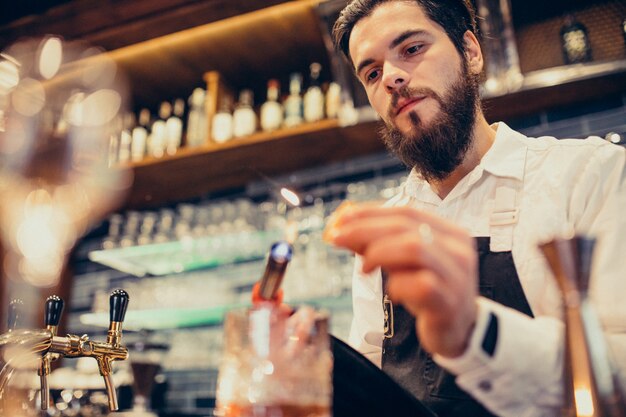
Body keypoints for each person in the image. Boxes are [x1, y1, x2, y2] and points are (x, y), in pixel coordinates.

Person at [327, 1, 626, 416]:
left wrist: (475, 332)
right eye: (372, 73)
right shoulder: (385, 230)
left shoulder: (588, 177)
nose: (392, 78)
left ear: (470, 51)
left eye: (412, 49)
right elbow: (374, 377)